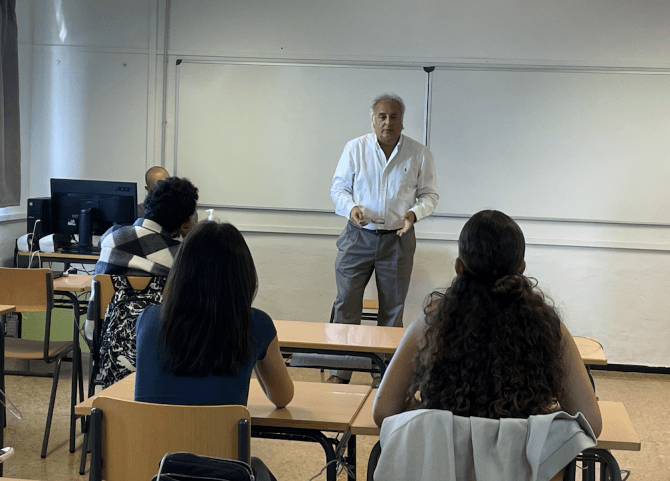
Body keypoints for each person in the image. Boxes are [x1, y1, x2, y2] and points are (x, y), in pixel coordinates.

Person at [372, 210, 602, 438]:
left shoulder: (433, 321)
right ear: (521, 268)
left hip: (445, 459)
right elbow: (591, 423)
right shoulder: (546, 325)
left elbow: (383, 412)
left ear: (458, 267)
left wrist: (426, 413)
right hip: (521, 461)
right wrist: (541, 421)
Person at [134, 221, 294, 480]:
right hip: (222, 473)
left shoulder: (148, 319)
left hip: (153, 472)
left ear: (180, 271)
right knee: (257, 467)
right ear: (243, 276)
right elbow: (282, 397)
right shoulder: (256, 324)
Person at [329, 93, 439, 386]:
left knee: (392, 309)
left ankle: (383, 376)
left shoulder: (419, 153)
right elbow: (339, 189)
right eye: (382, 116)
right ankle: (340, 371)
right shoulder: (355, 148)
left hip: (398, 239)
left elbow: (429, 195)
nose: (388, 122)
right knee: (346, 302)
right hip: (357, 237)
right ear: (373, 120)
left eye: (393, 116)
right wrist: (350, 208)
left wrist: (414, 214)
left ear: (402, 121)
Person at [94, 176, 198, 276]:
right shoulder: (178, 256)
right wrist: (192, 240)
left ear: (148, 203)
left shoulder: (111, 235)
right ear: (184, 223)